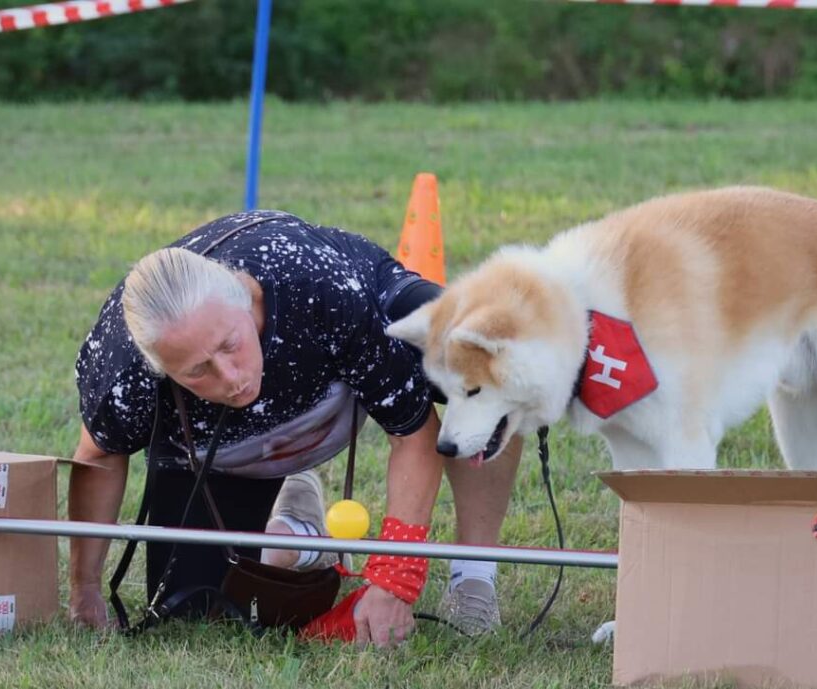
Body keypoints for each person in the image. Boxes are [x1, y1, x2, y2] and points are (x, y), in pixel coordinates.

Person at [68, 210, 523, 646]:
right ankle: (297, 535)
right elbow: (100, 458)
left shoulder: (325, 291)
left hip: (338, 356)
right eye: (197, 372)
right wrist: (84, 589)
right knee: (197, 608)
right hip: (228, 446)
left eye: (231, 345)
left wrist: (394, 579)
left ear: (246, 300)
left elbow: (412, 435)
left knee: (483, 373)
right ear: (159, 368)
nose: (231, 378)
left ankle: (473, 577)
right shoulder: (122, 373)